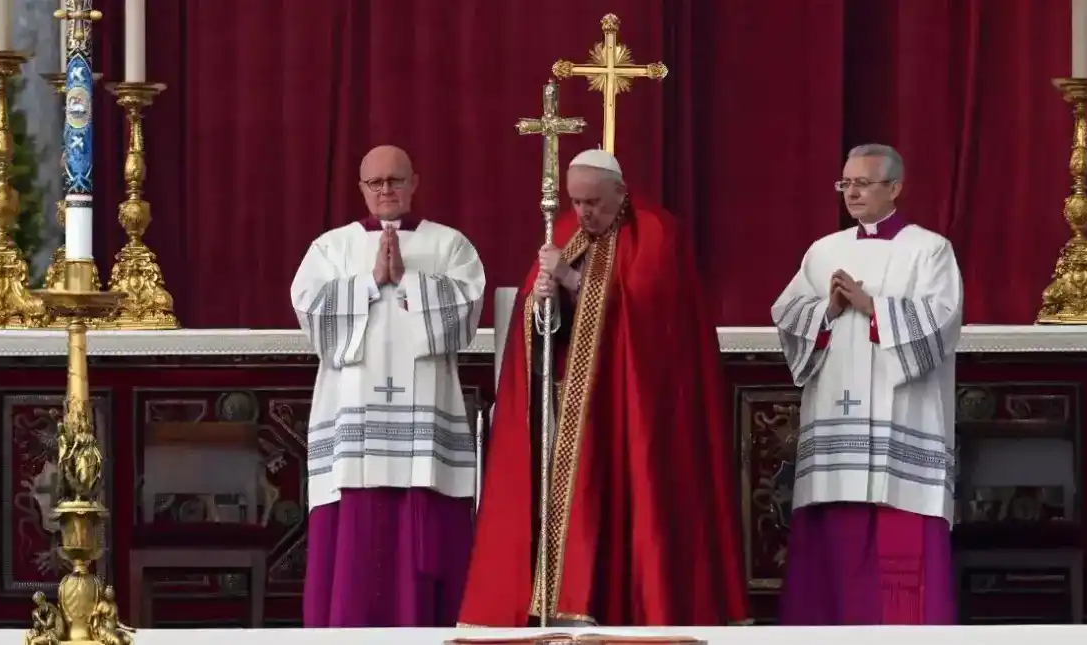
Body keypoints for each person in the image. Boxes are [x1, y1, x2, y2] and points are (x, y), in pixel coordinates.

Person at [459, 149, 749, 627]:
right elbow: (542, 328)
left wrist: (572, 277)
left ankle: (643, 608)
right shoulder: (565, 232)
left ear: (621, 192)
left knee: (637, 503)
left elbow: (648, 313)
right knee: (580, 501)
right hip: (576, 408)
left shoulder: (656, 231)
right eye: (576, 202)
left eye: (593, 202)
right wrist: (542, 303)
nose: (584, 213)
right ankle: (570, 606)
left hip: (634, 407)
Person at [291, 145, 487, 627]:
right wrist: (370, 281)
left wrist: (409, 280)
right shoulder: (331, 248)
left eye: (395, 180)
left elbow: (465, 312)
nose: (386, 190)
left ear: (414, 183)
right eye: (375, 182)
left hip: (424, 443)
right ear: (361, 188)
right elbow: (311, 311)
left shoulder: (449, 245)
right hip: (352, 435)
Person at [771, 143, 962, 625]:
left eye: (862, 183)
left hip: (904, 416)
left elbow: (941, 323)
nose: (851, 193)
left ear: (894, 188)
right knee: (835, 537)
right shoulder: (823, 251)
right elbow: (788, 317)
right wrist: (828, 310)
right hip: (835, 416)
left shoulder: (929, 249)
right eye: (846, 184)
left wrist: (872, 307)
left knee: (902, 533)